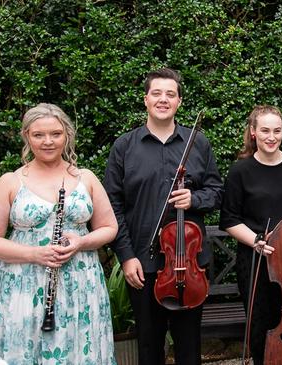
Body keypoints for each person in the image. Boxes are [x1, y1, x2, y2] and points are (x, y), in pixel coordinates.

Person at [0, 103, 118, 363]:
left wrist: (82, 241)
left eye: (55, 134)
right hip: (24, 284)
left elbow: (110, 228)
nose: (48, 141)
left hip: (80, 283)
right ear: (26, 137)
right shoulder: (10, 181)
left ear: (67, 135)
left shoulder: (85, 177)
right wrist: (34, 253)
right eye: (38, 135)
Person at [103, 67, 223, 365]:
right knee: (148, 346)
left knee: (189, 348)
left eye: (170, 94)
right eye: (157, 93)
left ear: (179, 101)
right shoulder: (125, 147)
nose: (163, 99)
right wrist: (126, 256)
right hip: (143, 263)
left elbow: (217, 192)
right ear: (145, 99)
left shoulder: (198, 142)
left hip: (189, 264)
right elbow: (112, 205)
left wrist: (194, 199)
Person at [219, 105, 282, 365]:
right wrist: (256, 241)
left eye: (277, 131)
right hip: (256, 261)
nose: (271, 137)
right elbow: (230, 220)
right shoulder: (239, 171)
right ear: (253, 132)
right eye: (265, 130)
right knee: (261, 327)